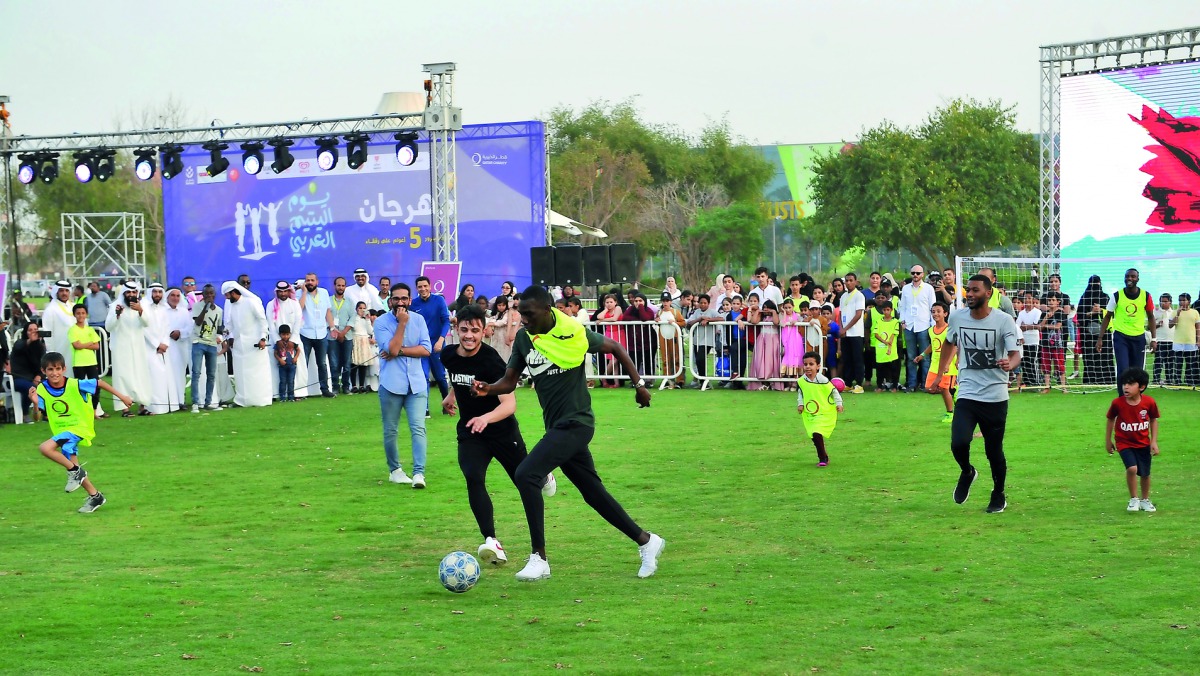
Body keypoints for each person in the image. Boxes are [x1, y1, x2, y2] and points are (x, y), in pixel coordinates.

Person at [471, 285, 664, 581]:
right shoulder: (525, 339)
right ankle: (647, 541)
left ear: (548, 310)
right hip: (556, 427)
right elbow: (510, 381)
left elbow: (616, 348)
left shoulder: (572, 332)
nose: (523, 319)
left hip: (577, 423)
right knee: (593, 493)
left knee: (526, 474)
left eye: (529, 313)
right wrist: (490, 388)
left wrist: (639, 386)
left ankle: (540, 558)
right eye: (520, 313)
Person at [441, 304, 557, 567]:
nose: (469, 335)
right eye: (464, 329)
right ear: (456, 328)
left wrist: (485, 417)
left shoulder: (492, 361)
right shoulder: (448, 355)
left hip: (503, 432)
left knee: (526, 482)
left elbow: (509, 404)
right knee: (473, 476)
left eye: (474, 330)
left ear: (485, 331)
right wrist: (450, 396)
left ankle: (543, 474)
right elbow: (457, 378)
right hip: (471, 432)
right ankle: (491, 540)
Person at [936, 274, 1021, 514]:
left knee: (994, 451)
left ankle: (998, 494)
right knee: (958, 442)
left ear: (987, 292)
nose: (969, 294)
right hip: (968, 392)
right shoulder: (957, 317)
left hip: (995, 396)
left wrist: (1010, 364)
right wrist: (942, 372)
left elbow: (1015, 353)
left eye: (975, 290)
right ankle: (967, 471)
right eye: (968, 291)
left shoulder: (1004, 321)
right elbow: (950, 342)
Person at [34, 352, 133, 513]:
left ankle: (75, 472)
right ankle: (95, 496)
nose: (55, 373)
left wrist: (122, 397)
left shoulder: (75, 384)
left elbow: (99, 382)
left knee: (45, 448)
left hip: (79, 428)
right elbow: (39, 416)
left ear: (64, 369)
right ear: (43, 371)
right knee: (73, 463)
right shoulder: (42, 389)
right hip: (63, 432)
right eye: (50, 369)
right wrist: (35, 402)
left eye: (58, 368)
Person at [375, 282, 432, 488]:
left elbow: (426, 349)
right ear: (390, 300)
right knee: (391, 430)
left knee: (418, 428)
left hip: (416, 384)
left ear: (410, 300)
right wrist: (401, 324)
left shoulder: (419, 319)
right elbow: (390, 347)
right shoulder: (381, 322)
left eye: (404, 299)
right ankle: (395, 470)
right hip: (391, 384)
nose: (400, 302)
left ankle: (419, 474)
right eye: (396, 298)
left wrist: (399, 351)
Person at [1105, 367, 1160, 513]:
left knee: (1145, 474)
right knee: (1132, 468)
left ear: (1141, 387)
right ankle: (1134, 498)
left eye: (1130, 384)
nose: (1126, 387)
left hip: (1143, 443)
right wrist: (1108, 440)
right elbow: (1110, 419)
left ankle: (1145, 500)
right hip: (1124, 443)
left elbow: (1154, 420)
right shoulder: (1118, 403)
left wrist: (1153, 441)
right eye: (1124, 384)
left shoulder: (1149, 402)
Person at [1099, 268, 1156, 390]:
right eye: (1127, 276)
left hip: (1139, 337)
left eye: (1132, 276)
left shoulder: (1146, 296)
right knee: (1123, 368)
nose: (1129, 279)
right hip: (1121, 337)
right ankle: (1122, 397)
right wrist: (1100, 338)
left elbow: (1151, 317)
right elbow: (1107, 316)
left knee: (1137, 371)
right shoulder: (1117, 296)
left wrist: (1154, 339)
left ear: (1137, 279)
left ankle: (1136, 397)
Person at [105, 281, 153, 417]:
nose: (131, 295)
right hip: (121, 348)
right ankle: (125, 409)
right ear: (124, 293)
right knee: (123, 377)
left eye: (134, 292)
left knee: (141, 375)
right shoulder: (115, 306)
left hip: (138, 347)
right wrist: (117, 315)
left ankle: (142, 406)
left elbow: (147, 323)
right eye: (128, 292)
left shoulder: (142, 306)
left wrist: (140, 311)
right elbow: (108, 327)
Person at [222, 281, 272, 408]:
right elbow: (230, 324)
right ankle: (242, 401)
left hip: (255, 344)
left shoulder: (251, 302)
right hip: (239, 346)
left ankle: (260, 400)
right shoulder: (232, 306)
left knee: (257, 374)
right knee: (241, 374)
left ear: (234, 292)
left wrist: (262, 338)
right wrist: (226, 335)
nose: (226, 298)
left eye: (227, 295)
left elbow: (263, 321)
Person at [411, 276, 451, 417]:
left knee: (440, 377)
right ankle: (425, 408)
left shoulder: (439, 300)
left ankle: (447, 404)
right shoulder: (413, 304)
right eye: (420, 287)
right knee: (423, 377)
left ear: (430, 286)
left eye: (425, 286)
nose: (423, 289)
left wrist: (441, 340)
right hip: (421, 347)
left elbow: (446, 321)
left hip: (437, 345)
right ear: (417, 288)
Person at [797, 351, 843, 467]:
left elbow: (834, 391)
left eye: (811, 364)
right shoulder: (802, 381)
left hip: (825, 412)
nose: (808, 367)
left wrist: (839, 403)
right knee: (814, 435)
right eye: (805, 364)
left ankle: (823, 458)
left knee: (817, 433)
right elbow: (801, 392)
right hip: (810, 413)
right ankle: (824, 456)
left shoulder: (823, 380)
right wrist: (800, 404)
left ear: (818, 366)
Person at [265, 280, 308, 402]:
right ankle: (277, 394)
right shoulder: (270, 305)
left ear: (289, 291)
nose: (283, 294)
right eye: (280, 292)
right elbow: (270, 325)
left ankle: (298, 393)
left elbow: (297, 323)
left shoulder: (294, 304)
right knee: (275, 367)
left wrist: (292, 341)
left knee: (298, 367)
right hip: (276, 342)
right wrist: (278, 341)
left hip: (294, 341)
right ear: (277, 292)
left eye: (285, 291)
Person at [298, 272, 336, 398]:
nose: (310, 282)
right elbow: (299, 308)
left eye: (312, 280)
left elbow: (328, 311)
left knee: (322, 363)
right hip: (305, 332)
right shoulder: (300, 293)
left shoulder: (324, 293)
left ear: (317, 282)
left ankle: (324, 389)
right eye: (307, 280)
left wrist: (332, 327)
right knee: (304, 363)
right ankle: (301, 391)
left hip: (321, 333)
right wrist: (303, 292)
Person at [916, 301, 956, 422]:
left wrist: (948, 363)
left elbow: (954, 347)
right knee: (929, 388)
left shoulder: (949, 329)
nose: (935, 314)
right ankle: (954, 392)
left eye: (938, 311)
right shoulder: (931, 330)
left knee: (943, 389)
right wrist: (922, 355)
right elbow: (933, 345)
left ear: (945, 313)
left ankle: (950, 413)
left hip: (946, 365)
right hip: (934, 364)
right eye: (933, 312)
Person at [900, 265, 937, 392]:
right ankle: (911, 384)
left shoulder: (928, 288)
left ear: (922, 275)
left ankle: (926, 384)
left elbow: (932, 307)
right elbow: (902, 307)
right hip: (909, 325)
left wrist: (933, 325)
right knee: (910, 357)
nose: (915, 275)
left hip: (924, 325)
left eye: (918, 273)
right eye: (913, 273)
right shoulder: (905, 289)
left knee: (925, 357)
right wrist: (902, 321)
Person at [190, 284, 224, 412]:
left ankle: (208, 402)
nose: (209, 296)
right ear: (203, 295)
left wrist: (220, 336)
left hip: (212, 344)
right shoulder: (197, 306)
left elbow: (220, 327)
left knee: (211, 374)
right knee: (196, 372)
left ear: (214, 295)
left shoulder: (219, 310)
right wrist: (205, 308)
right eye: (207, 294)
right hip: (198, 342)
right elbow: (198, 322)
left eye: (211, 293)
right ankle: (195, 402)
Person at [67, 304, 103, 414]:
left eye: (83, 313)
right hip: (78, 363)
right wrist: (89, 343)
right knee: (80, 388)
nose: (81, 315)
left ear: (86, 314)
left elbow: (97, 346)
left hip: (91, 361)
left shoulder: (90, 329)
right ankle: (82, 411)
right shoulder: (72, 330)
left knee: (96, 386)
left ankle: (94, 410)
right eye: (78, 313)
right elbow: (76, 346)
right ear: (74, 315)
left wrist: (83, 344)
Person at [9, 322, 47, 419]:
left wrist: (39, 375)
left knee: (49, 385)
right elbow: (19, 347)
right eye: (30, 330)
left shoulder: (40, 347)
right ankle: (25, 413)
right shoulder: (20, 343)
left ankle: (45, 414)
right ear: (26, 332)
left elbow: (43, 365)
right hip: (18, 378)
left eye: (35, 329)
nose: (34, 332)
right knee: (31, 388)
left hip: (33, 378)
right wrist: (30, 341)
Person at [1077, 274, 1109, 385]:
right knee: (1089, 356)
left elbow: (1112, 314)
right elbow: (1080, 316)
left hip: (1105, 333)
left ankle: (1106, 379)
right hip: (1088, 334)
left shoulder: (1105, 297)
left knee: (1104, 356)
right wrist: (1091, 313)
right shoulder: (1084, 298)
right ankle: (1090, 379)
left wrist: (1101, 310)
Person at [839, 272, 867, 393]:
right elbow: (840, 314)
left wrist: (846, 328)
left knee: (857, 358)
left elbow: (858, 315)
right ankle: (849, 383)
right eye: (847, 280)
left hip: (856, 333)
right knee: (847, 359)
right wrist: (841, 329)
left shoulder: (859, 296)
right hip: (845, 334)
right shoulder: (843, 296)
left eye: (851, 280)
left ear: (856, 281)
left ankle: (859, 384)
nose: (848, 283)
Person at [328, 276, 356, 395]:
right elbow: (327, 317)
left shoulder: (349, 302)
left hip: (347, 336)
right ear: (335, 286)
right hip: (332, 336)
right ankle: (335, 387)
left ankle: (346, 387)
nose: (340, 287)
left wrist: (343, 332)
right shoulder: (328, 300)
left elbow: (353, 318)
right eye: (338, 285)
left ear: (345, 287)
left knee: (346, 363)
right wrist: (334, 330)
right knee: (334, 363)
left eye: (343, 285)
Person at [42, 280, 77, 373]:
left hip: (77, 348)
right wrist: (51, 352)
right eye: (61, 291)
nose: (64, 293)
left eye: (66, 290)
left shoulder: (75, 307)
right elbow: (47, 334)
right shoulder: (50, 310)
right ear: (56, 292)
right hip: (60, 349)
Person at [655, 292, 685, 388]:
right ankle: (667, 379)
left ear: (670, 301)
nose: (665, 303)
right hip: (664, 337)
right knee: (665, 359)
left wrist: (675, 322)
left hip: (674, 337)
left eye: (667, 301)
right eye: (663, 301)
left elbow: (683, 322)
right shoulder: (659, 312)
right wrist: (657, 320)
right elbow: (657, 320)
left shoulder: (675, 312)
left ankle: (680, 380)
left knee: (677, 358)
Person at [1038, 293, 1067, 392]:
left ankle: (1064, 387)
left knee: (1060, 365)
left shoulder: (1061, 313)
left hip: (1057, 344)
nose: (1051, 302)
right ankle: (1047, 387)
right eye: (1049, 300)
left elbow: (1058, 326)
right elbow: (1040, 328)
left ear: (1058, 302)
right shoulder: (1044, 314)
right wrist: (1046, 318)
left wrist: (1046, 326)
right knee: (1046, 365)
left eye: (1053, 300)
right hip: (1045, 343)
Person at [1169, 293, 1200, 386]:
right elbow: (1170, 325)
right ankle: (1177, 381)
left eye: (1184, 300)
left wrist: (1198, 341)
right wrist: (1178, 314)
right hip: (1178, 342)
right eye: (1180, 300)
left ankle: (1189, 381)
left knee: (1190, 364)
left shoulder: (1195, 312)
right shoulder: (1175, 312)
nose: (1181, 302)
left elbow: (1198, 328)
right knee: (1178, 363)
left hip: (1190, 342)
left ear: (1189, 301)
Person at [1016, 290, 1043, 392]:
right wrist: (1026, 327)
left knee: (1032, 361)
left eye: (1029, 298)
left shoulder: (1037, 312)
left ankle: (1035, 382)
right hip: (1023, 340)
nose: (1027, 300)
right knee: (1025, 361)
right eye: (1025, 298)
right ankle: (1027, 382)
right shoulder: (1021, 313)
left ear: (1033, 299)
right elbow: (1018, 325)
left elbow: (1036, 325)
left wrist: (1026, 326)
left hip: (1033, 340)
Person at [873, 300, 901, 392]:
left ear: (891, 310)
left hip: (891, 350)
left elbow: (894, 334)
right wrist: (885, 342)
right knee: (880, 369)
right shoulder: (878, 321)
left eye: (888, 310)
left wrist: (889, 343)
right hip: (880, 350)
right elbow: (876, 334)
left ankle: (894, 386)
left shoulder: (896, 322)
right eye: (884, 310)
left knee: (894, 369)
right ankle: (880, 386)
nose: (886, 312)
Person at [347, 301, 375, 392]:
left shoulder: (366, 320)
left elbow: (370, 331)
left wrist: (367, 320)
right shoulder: (354, 318)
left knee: (363, 364)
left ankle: (362, 385)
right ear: (356, 309)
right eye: (360, 308)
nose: (362, 310)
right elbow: (353, 327)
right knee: (354, 363)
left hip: (364, 341)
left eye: (364, 308)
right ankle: (354, 385)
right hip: (356, 340)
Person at [488, 295, 519, 363]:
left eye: (503, 305)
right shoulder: (496, 314)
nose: (501, 307)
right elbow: (491, 320)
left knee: (503, 354)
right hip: (495, 336)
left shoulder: (507, 313)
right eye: (499, 305)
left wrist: (491, 324)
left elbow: (502, 322)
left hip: (503, 336)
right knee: (494, 350)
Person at [1152, 293, 1175, 385]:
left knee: (1170, 362)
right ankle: (1156, 380)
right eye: (1161, 301)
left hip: (1172, 341)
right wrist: (1157, 324)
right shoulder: (1155, 312)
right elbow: (1149, 327)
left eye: (1165, 301)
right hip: (1160, 341)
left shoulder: (1174, 312)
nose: (1163, 303)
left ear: (1170, 302)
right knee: (1158, 361)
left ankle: (1169, 380)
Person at [275, 324, 299, 402]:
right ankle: (282, 397)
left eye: (287, 334)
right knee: (283, 381)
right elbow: (275, 353)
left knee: (291, 381)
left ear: (290, 334)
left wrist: (295, 358)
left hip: (292, 365)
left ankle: (291, 397)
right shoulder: (278, 343)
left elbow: (298, 350)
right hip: (282, 366)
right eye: (283, 334)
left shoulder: (293, 343)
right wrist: (280, 360)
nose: (285, 336)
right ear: (280, 335)